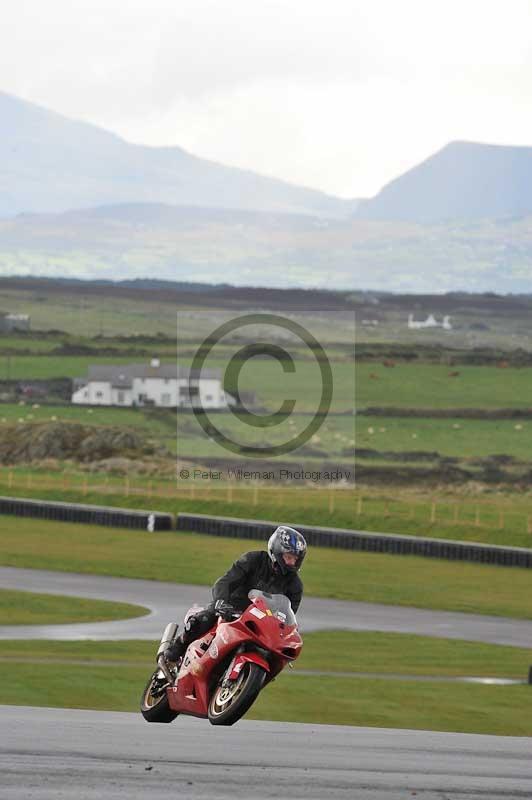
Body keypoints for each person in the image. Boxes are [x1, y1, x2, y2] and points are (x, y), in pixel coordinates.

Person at [164, 525, 307, 664]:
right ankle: (177, 647)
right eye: (289, 557)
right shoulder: (253, 559)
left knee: (274, 659)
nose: (292, 562)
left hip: (260, 625)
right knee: (205, 618)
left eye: (295, 559)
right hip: (231, 609)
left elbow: (288, 616)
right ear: (276, 551)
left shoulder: (295, 586)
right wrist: (221, 601)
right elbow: (226, 582)